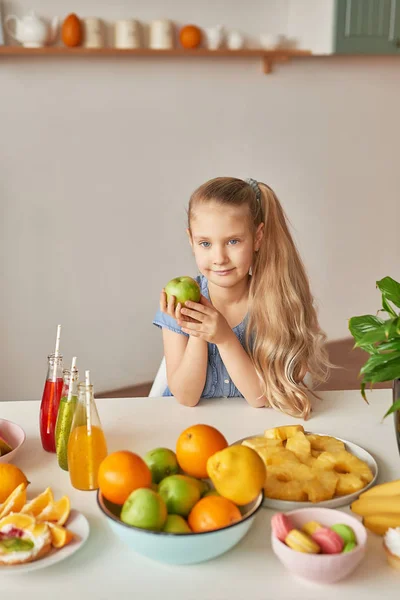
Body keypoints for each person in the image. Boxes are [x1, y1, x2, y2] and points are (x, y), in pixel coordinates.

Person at [153, 177, 330, 419]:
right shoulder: (178, 304)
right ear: (191, 240)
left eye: (233, 241)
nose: (219, 257)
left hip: (255, 429)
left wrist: (225, 338)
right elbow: (186, 397)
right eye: (205, 243)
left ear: (257, 237)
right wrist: (196, 332)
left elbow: (261, 399)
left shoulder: (278, 301)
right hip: (192, 432)